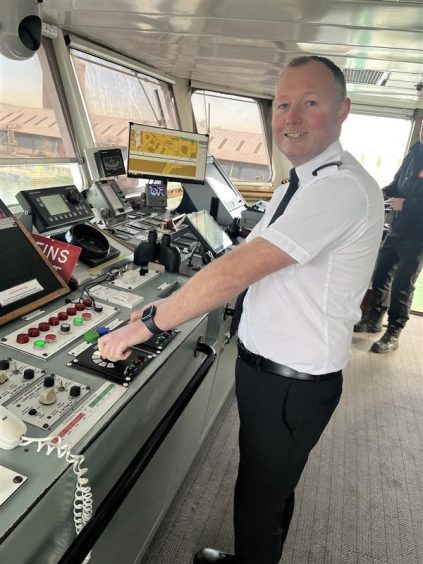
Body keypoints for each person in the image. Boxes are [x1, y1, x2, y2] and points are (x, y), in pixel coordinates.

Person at [98, 56, 384, 564]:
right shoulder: (301, 180)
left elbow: (240, 268)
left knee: (258, 500)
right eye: (283, 104)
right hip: (273, 375)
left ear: (344, 110)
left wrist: (147, 322)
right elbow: (247, 250)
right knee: (269, 488)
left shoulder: (337, 188)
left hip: (290, 385)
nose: (290, 117)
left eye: (310, 103)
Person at [354, 120, 423, 353]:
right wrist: (379, 192)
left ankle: (394, 331)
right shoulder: (414, 152)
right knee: (381, 273)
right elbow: (397, 183)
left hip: (418, 235)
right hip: (396, 228)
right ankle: (373, 319)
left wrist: (408, 204)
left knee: (403, 283)